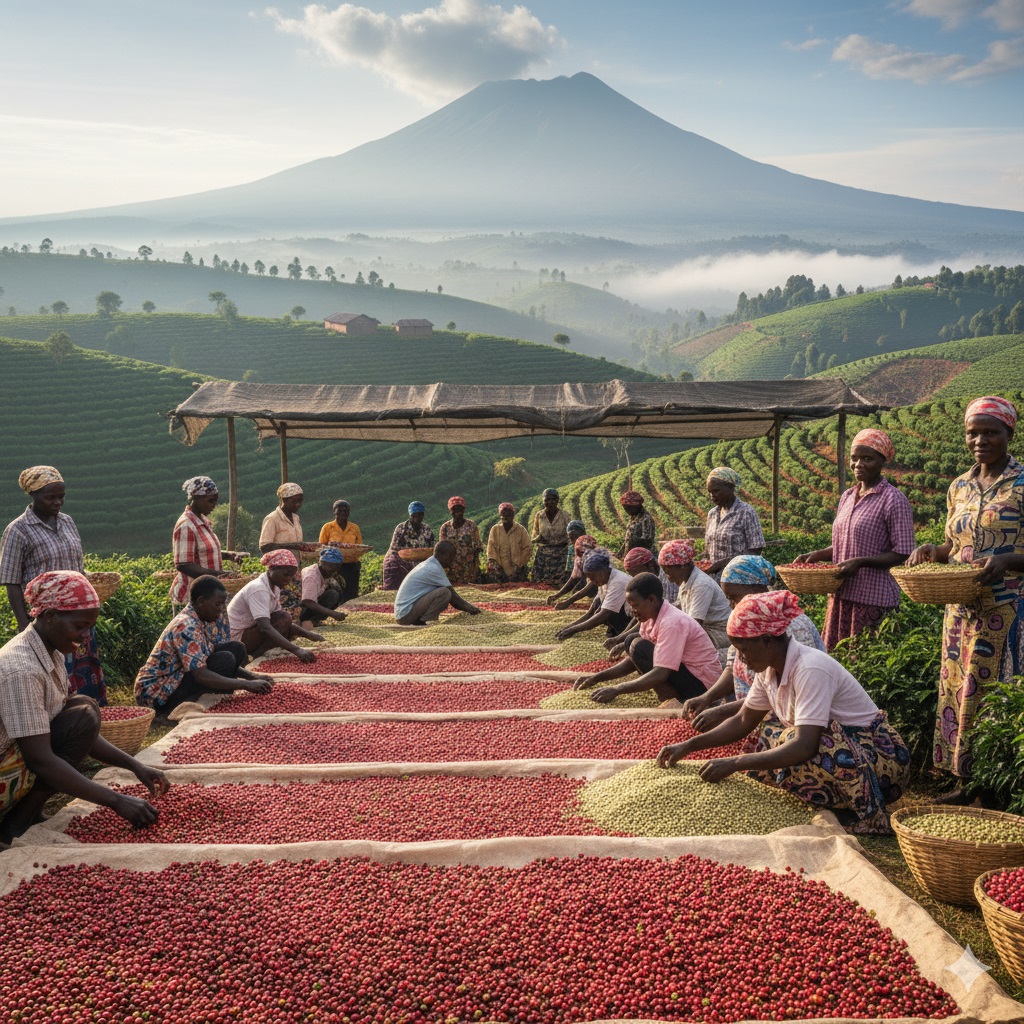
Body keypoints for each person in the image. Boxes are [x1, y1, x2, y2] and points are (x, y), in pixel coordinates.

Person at [657, 590, 910, 831]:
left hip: (880, 761)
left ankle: (861, 811)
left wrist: (735, 762)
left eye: (744, 650)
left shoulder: (810, 668)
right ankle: (832, 798)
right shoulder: (768, 671)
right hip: (844, 747)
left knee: (787, 738)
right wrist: (689, 746)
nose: (741, 659)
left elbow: (804, 746)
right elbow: (744, 719)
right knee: (767, 731)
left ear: (767, 640)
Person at [0, 571, 168, 845]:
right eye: (80, 625)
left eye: (89, 626)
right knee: (82, 714)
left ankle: (27, 813)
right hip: (8, 768)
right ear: (50, 616)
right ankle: (13, 826)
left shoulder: (50, 652)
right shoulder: (22, 669)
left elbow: (81, 730)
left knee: (84, 710)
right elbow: (40, 759)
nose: (86, 635)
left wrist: (135, 766)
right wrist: (115, 800)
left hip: (16, 760)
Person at [907, 395, 1024, 781]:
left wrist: (1009, 560)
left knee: (996, 693)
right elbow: (955, 546)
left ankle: (992, 781)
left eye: (990, 432)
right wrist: (934, 552)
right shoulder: (960, 486)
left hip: (1007, 610)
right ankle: (961, 775)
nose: (980, 441)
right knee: (959, 688)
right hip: (960, 612)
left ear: (1009, 432)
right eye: (973, 433)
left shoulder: (1021, 484)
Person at [796, 429, 914, 650]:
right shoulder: (848, 496)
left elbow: (903, 552)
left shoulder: (894, 499)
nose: (858, 464)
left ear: (882, 461)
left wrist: (860, 562)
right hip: (842, 594)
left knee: (867, 662)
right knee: (839, 661)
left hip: (873, 598)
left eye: (867, 458)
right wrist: (819, 555)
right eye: (854, 458)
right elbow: (847, 541)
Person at [681, 555, 825, 734]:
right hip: (756, 714)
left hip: (798, 720)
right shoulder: (748, 621)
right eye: (728, 599)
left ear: (757, 588)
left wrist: (725, 711)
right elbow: (732, 667)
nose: (732, 605)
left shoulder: (787, 624)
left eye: (734, 597)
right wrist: (707, 697)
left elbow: (789, 692)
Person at [0, 466, 105, 703]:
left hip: (78, 614)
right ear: (33, 496)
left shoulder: (67, 522)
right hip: (50, 618)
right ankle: (63, 722)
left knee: (83, 666)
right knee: (55, 672)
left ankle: (91, 716)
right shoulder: (18, 530)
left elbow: (77, 566)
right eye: (50, 497)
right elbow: (11, 581)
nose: (58, 502)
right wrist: (22, 622)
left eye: (61, 496)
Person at [135, 575, 274, 722]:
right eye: (218, 604)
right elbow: (200, 674)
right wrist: (246, 684)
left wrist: (253, 677)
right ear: (201, 601)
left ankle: (212, 698)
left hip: (178, 677)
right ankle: (173, 708)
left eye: (223, 604)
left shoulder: (202, 619)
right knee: (225, 659)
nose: (221, 609)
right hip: (158, 692)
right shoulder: (186, 626)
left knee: (236, 648)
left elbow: (207, 655)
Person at [573, 571, 722, 706]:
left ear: (651, 599)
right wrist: (596, 678)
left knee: (638, 646)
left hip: (703, 687)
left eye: (635, 605)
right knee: (631, 641)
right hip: (686, 674)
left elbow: (661, 672)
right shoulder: (651, 617)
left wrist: (617, 689)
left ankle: (676, 698)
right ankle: (671, 694)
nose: (633, 611)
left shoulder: (672, 623)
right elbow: (633, 661)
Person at [227, 550, 323, 661]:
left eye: (291, 576)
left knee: (284, 618)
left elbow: (282, 622)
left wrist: (310, 635)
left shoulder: (274, 587)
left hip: (249, 632)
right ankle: (254, 656)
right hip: (236, 639)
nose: (288, 579)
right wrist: (297, 650)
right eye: (285, 574)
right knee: (284, 618)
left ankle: (256, 654)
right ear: (272, 568)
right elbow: (265, 627)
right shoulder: (259, 589)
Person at [170, 476, 245, 614]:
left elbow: (205, 551)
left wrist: (229, 555)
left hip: (209, 596)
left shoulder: (203, 521)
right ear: (196, 498)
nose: (214, 505)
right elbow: (183, 564)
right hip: (193, 597)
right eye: (210, 500)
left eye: (215, 501)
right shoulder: (186, 525)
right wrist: (217, 575)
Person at [658, 538, 731, 651]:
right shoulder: (686, 581)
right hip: (705, 628)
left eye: (668, 573)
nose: (669, 579)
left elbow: (694, 626)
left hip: (718, 632)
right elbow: (678, 608)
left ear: (682, 566)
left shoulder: (701, 585)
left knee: (677, 644)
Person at [393, 540, 483, 625]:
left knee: (443, 591)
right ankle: (429, 621)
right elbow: (455, 599)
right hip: (405, 615)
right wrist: (473, 610)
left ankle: (421, 620)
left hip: (403, 613)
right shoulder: (433, 568)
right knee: (445, 593)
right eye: (451, 557)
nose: (452, 560)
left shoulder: (430, 564)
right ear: (442, 555)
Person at [554, 550, 632, 642]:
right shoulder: (604, 580)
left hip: (629, 618)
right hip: (617, 614)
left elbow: (604, 614)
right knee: (598, 602)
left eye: (592, 578)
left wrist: (574, 630)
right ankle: (615, 631)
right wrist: (569, 627)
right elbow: (592, 612)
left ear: (601, 572)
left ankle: (623, 633)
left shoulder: (618, 582)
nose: (592, 582)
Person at [703, 467, 765, 577]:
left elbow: (755, 550)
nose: (712, 495)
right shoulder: (712, 514)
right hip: (713, 578)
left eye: (716, 491)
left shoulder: (746, 512)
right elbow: (708, 550)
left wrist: (726, 563)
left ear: (730, 488)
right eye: (710, 492)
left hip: (738, 577)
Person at [259, 482, 307, 622]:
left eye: (300, 501)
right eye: (295, 501)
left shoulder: (296, 518)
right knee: (282, 604)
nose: (298, 504)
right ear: (284, 500)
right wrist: (293, 545)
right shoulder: (272, 518)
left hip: (295, 569)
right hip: (279, 572)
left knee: (296, 603)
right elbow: (264, 546)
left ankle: (293, 632)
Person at [317, 499, 364, 603]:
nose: (343, 513)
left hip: (351, 564)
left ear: (349, 512)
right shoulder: (328, 527)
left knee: (351, 592)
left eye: (345, 511)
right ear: (334, 512)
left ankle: (351, 612)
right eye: (340, 511)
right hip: (332, 566)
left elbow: (359, 546)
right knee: (335, 590)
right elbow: (321, 546)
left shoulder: (354, 528)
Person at [382, 502, 436, 590]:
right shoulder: (401, 528)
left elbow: (431, 549)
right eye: (414, 515)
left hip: (420, 563)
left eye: (420, 515)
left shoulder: (427, 529)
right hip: (400, 563)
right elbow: (394, 550)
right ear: (410, 515)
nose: (417, 518)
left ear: (423, 515)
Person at [299, 546, 349, 629]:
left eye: (337, 567)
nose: (335, 570)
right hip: (300, 607)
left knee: (334, 593)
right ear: (323, 563)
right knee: (333, 594)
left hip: (309, 601)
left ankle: (314, 620)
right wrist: (332, 613)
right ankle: (307, 620)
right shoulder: (311, 576)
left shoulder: (324, 573)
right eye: (332, 567)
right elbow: (308, 602)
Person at [546, 530, 598, 607]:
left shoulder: (599, 560)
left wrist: (568, 601)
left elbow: (592, 584)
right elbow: (574, 578)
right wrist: (557, 596)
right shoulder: (580, 558)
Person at [439, 496, 483, 585]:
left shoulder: (471, 526)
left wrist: (475, 568)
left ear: (464, 510)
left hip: (469, 570)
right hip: (451, 570)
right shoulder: (445, 528)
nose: (458, 513)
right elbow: (442, 550)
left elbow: (478, 546)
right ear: (450, 511)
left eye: (460, 509)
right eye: (454, 510)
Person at [531, 488, 571, 585]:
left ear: (557, 500)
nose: (550, 502)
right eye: (546, 500)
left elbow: (571, 536)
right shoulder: (539, 515)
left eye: (552, 499)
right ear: (543, 501)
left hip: (561, 552)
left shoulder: (565, 515)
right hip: (544, 552)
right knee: (539, 582)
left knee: (561, 581)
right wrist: (538, 539)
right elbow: (535, 534)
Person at [485, 503, 532, 583]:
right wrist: (498, 568)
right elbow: (491, 550)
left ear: (513, 515)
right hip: (499, 569)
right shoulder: (495, 530)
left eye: (509, 514)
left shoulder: (521, 530)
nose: (506, 517)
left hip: (517, 568)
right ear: (500, 515)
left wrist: (518, 565)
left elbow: (527, 548)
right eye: (503, 514)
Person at [619, 490, 657, 557]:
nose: (626, 510)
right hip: (632, 556)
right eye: (625, 507)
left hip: (643, 558)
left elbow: (646, 542)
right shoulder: (634, 517)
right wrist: (620, 554)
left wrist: (631, 555)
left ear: (637, 506)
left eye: (628, 507)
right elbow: (628, 539)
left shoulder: (646, 519)